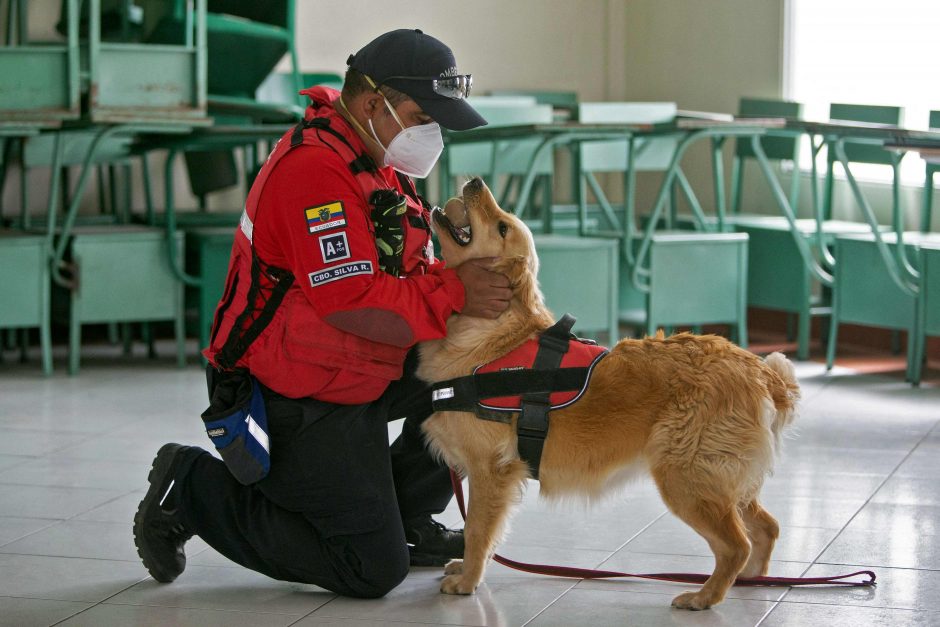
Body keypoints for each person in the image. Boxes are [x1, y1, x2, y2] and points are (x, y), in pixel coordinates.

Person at [133, 29, 512, 598]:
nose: (432, 132)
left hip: (357, 368)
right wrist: (457, 294)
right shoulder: (315, 172)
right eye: (420, 115)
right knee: (370, 568)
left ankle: (403, 511)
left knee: (486, 375)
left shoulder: (378, 157)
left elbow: (403, 271)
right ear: (370, 104)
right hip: (295, 392)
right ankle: (191, 487)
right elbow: (353, 301)